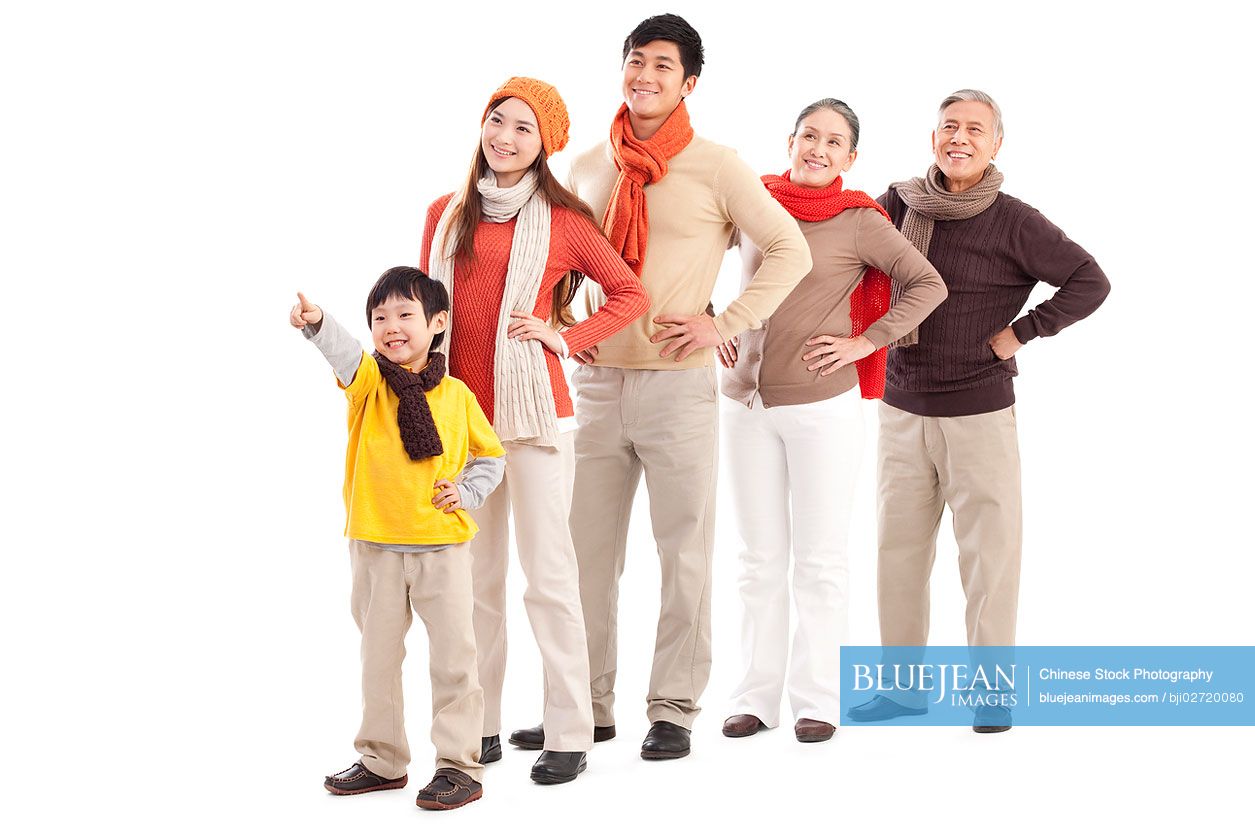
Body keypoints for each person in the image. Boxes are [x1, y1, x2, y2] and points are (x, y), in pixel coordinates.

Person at [509, 14, 811, 761]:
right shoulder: (583, 166)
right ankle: (584, 708)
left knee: (684, 552)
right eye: (635, 61)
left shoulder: (717, 166)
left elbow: (787, 248)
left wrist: (726, 321)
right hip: (597, 383)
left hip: (677, 386)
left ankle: (672, 707)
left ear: (688, 83)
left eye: (662, 67)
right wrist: (557, 328)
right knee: (581, 556)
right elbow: (562, 264)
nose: (644, 76)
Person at [847, 89, 1111, 732]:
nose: (958, 137)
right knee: (898, 553)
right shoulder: (896, 204)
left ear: (996, 145)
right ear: (932, 137)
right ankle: (903, 690)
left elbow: (1089, 279)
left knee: (988, 558)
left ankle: (992, 693)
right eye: (948, 127)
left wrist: (1022, 331)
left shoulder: (1015, 220)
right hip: (901, 405)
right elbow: (853, 267)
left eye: (974, 129)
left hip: (979, 412)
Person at [420, 77, 649, 784]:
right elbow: (430, 312)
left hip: (535, 418)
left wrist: (565, 337)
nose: (506, 137)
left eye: (524, 128)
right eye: (498, 120)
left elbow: (630, 292)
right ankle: (479, 727)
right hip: (463, 423)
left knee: (548, 578)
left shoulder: (564, 219)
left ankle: (570, 731)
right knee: (473, 584)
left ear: (544, 143)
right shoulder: (444, 213)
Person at [716, 99, 947, 743]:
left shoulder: (858, 221)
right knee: (757, 560)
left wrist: (867, 341)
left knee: (819, 560)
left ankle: (816, 699)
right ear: (790, 141)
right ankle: (755, 698)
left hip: (823, 406)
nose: (817, 148)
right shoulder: (752, 202)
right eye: (808, 136)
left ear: (850, 159)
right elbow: (690, 252)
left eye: (833, 142)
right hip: (743, 404)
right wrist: (714, 322)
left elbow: (927, 284)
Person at [292, 267, 506, 810]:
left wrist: (466, 490)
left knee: (455, 657)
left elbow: (491, 455)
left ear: (437, 324)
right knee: (378, 658)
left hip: (442, 545)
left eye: (405, 314)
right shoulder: (369, 384)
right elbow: (345, 355)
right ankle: (382, 761)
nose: (391, 325)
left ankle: (459, 765)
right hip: (376, 544)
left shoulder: (457, 395)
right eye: (380, 317)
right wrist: (319, 324)